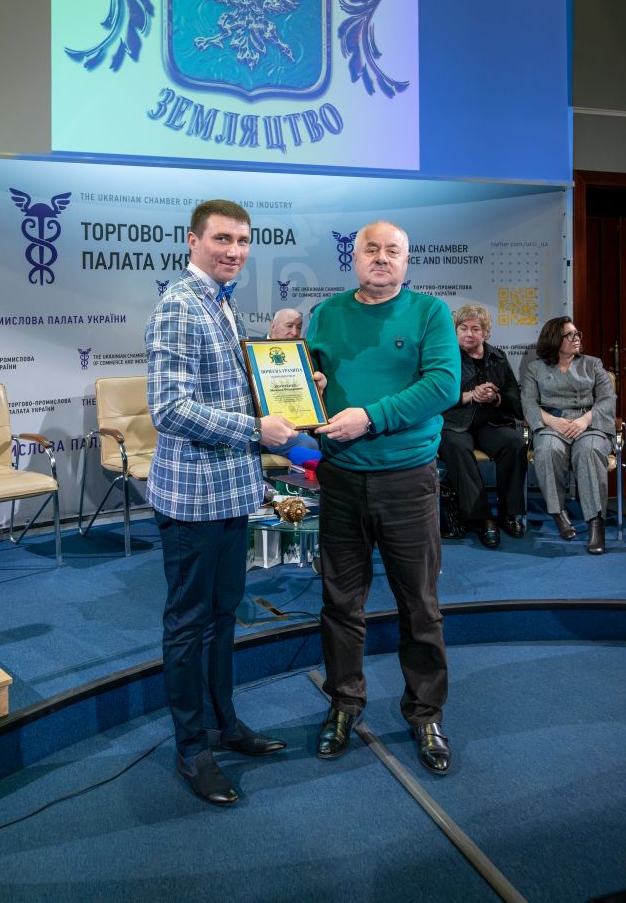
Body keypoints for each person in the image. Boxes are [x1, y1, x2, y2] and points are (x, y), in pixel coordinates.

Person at [144, 199, 298, 806]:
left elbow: (229, 391)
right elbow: (170, 409)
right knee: (188, 625)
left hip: (232, 490)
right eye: (222, 239)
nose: (234, 251)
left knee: (224, 615)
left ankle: (222, 724)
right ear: (193, 241)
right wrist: (256, 429)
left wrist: (290, 394)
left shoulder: (222, 302)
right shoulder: (180, 304)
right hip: (191, 499)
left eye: (242, 240)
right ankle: (191, 748)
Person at [306, 221, 460, 775]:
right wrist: (312, 386)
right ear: (354, 257)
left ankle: (425, 714)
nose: (381, 257)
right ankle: (343, 705)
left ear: (406, 261)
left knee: (419, 605)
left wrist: (370, 418)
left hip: (407, 481)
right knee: (340, 603)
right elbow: (309, 376)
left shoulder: (430, 313)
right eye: (371, 248)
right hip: (341, 479)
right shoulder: (325, 314)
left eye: (392, 250)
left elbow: (443, 386)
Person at [521, 316, 616, 555]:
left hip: (589, 424)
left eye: (577, 334)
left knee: (589, 451)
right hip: (553, 423)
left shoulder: (592, 364)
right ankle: (558, 512)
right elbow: (528, 403)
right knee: (547, 450)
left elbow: (607, 399)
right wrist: (552, 421)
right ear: (555, 340)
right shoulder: (535, 369)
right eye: (570, 335)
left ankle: (596, 523)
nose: (576, 339)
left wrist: (585, 420)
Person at [438, 304, 527, 548]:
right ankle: (483, 518)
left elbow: (514, 398)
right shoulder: (445, 357)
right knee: (457, 448)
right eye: (463, 328)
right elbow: (436, 394)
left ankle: (510, 513)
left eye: (475, 329)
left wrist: (495, 397)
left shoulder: (498, 357)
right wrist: (470, 395)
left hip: (491, 421)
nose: (469, 334)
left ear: (485, 332)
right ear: (455, 330)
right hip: (454, 423)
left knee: (514, 443)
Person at [263, 307, 319, 459]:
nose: (294, 332)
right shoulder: (248, 351)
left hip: (299, 425)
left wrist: (319, 388)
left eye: (299, 327)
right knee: (309, 447)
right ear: (273, 325)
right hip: (262, 426)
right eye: (289, 326)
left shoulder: (306, 357)